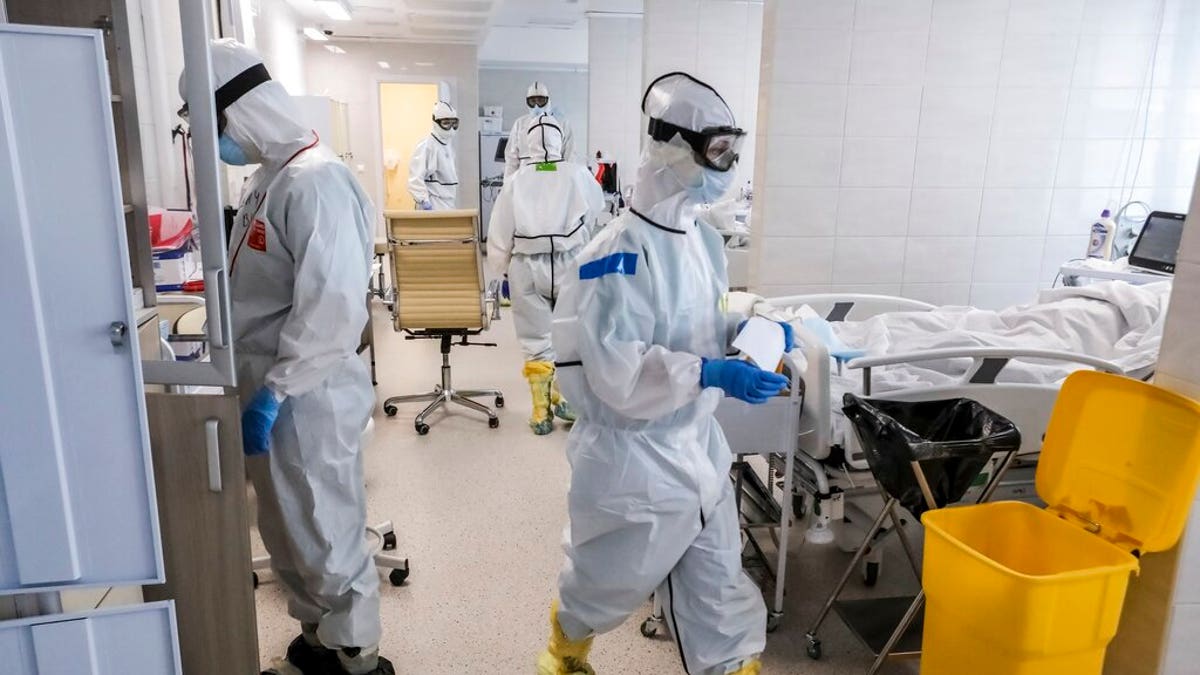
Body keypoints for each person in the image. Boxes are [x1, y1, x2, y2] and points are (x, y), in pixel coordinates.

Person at [536, 72, 794, 675]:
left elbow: (701, 322)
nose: (727, 164)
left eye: (733, 148)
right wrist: (710, 373)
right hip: (634, 460)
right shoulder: (614, 254)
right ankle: (564, 651)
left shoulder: (701, 241)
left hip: (698, 446)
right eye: (717, 150)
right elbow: (616, 371)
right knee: (605, 583)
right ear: (673, 147)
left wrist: (749, 334)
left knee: (719, 586)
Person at [180, 39, 391, 675]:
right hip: (269, 381)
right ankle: (319, 637)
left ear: (239, 112)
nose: (211, 141)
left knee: (324, 522)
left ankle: (357, 652)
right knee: (284, 523)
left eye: (210, 125)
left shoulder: (317, 180)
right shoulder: (269, 178)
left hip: (309, 389)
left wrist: (277, 390)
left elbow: (330, 310)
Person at [486, 114, 604, 435]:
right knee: (570, 333)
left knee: (535, 339)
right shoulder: (577, 173)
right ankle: (566, 397)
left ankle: (541, 410)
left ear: (527, 143)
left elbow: (499, 230)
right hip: (570, 263)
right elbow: (597, 208)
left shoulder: (516, 180)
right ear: (559, 140)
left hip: (526, 265)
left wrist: (499, 271)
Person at [504, 81, 575, 180]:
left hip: (554, 176)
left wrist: (567, 179)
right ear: (527, 102)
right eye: (532, 101)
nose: (536, 105)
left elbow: (569, 155)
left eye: (541, 101)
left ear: (548, 100)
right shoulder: (520, 124)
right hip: (525, 177)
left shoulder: (561, 123)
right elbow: (511, 159)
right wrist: (508, 185)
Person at [408, 100, 459, 210]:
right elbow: (415, 178)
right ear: (436, 122)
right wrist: (423, 201)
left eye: (454, 123)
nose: (450, 128)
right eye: (446, 123)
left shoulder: (447, 145)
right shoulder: (427, 146)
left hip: (448, 201)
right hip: (433, 202)